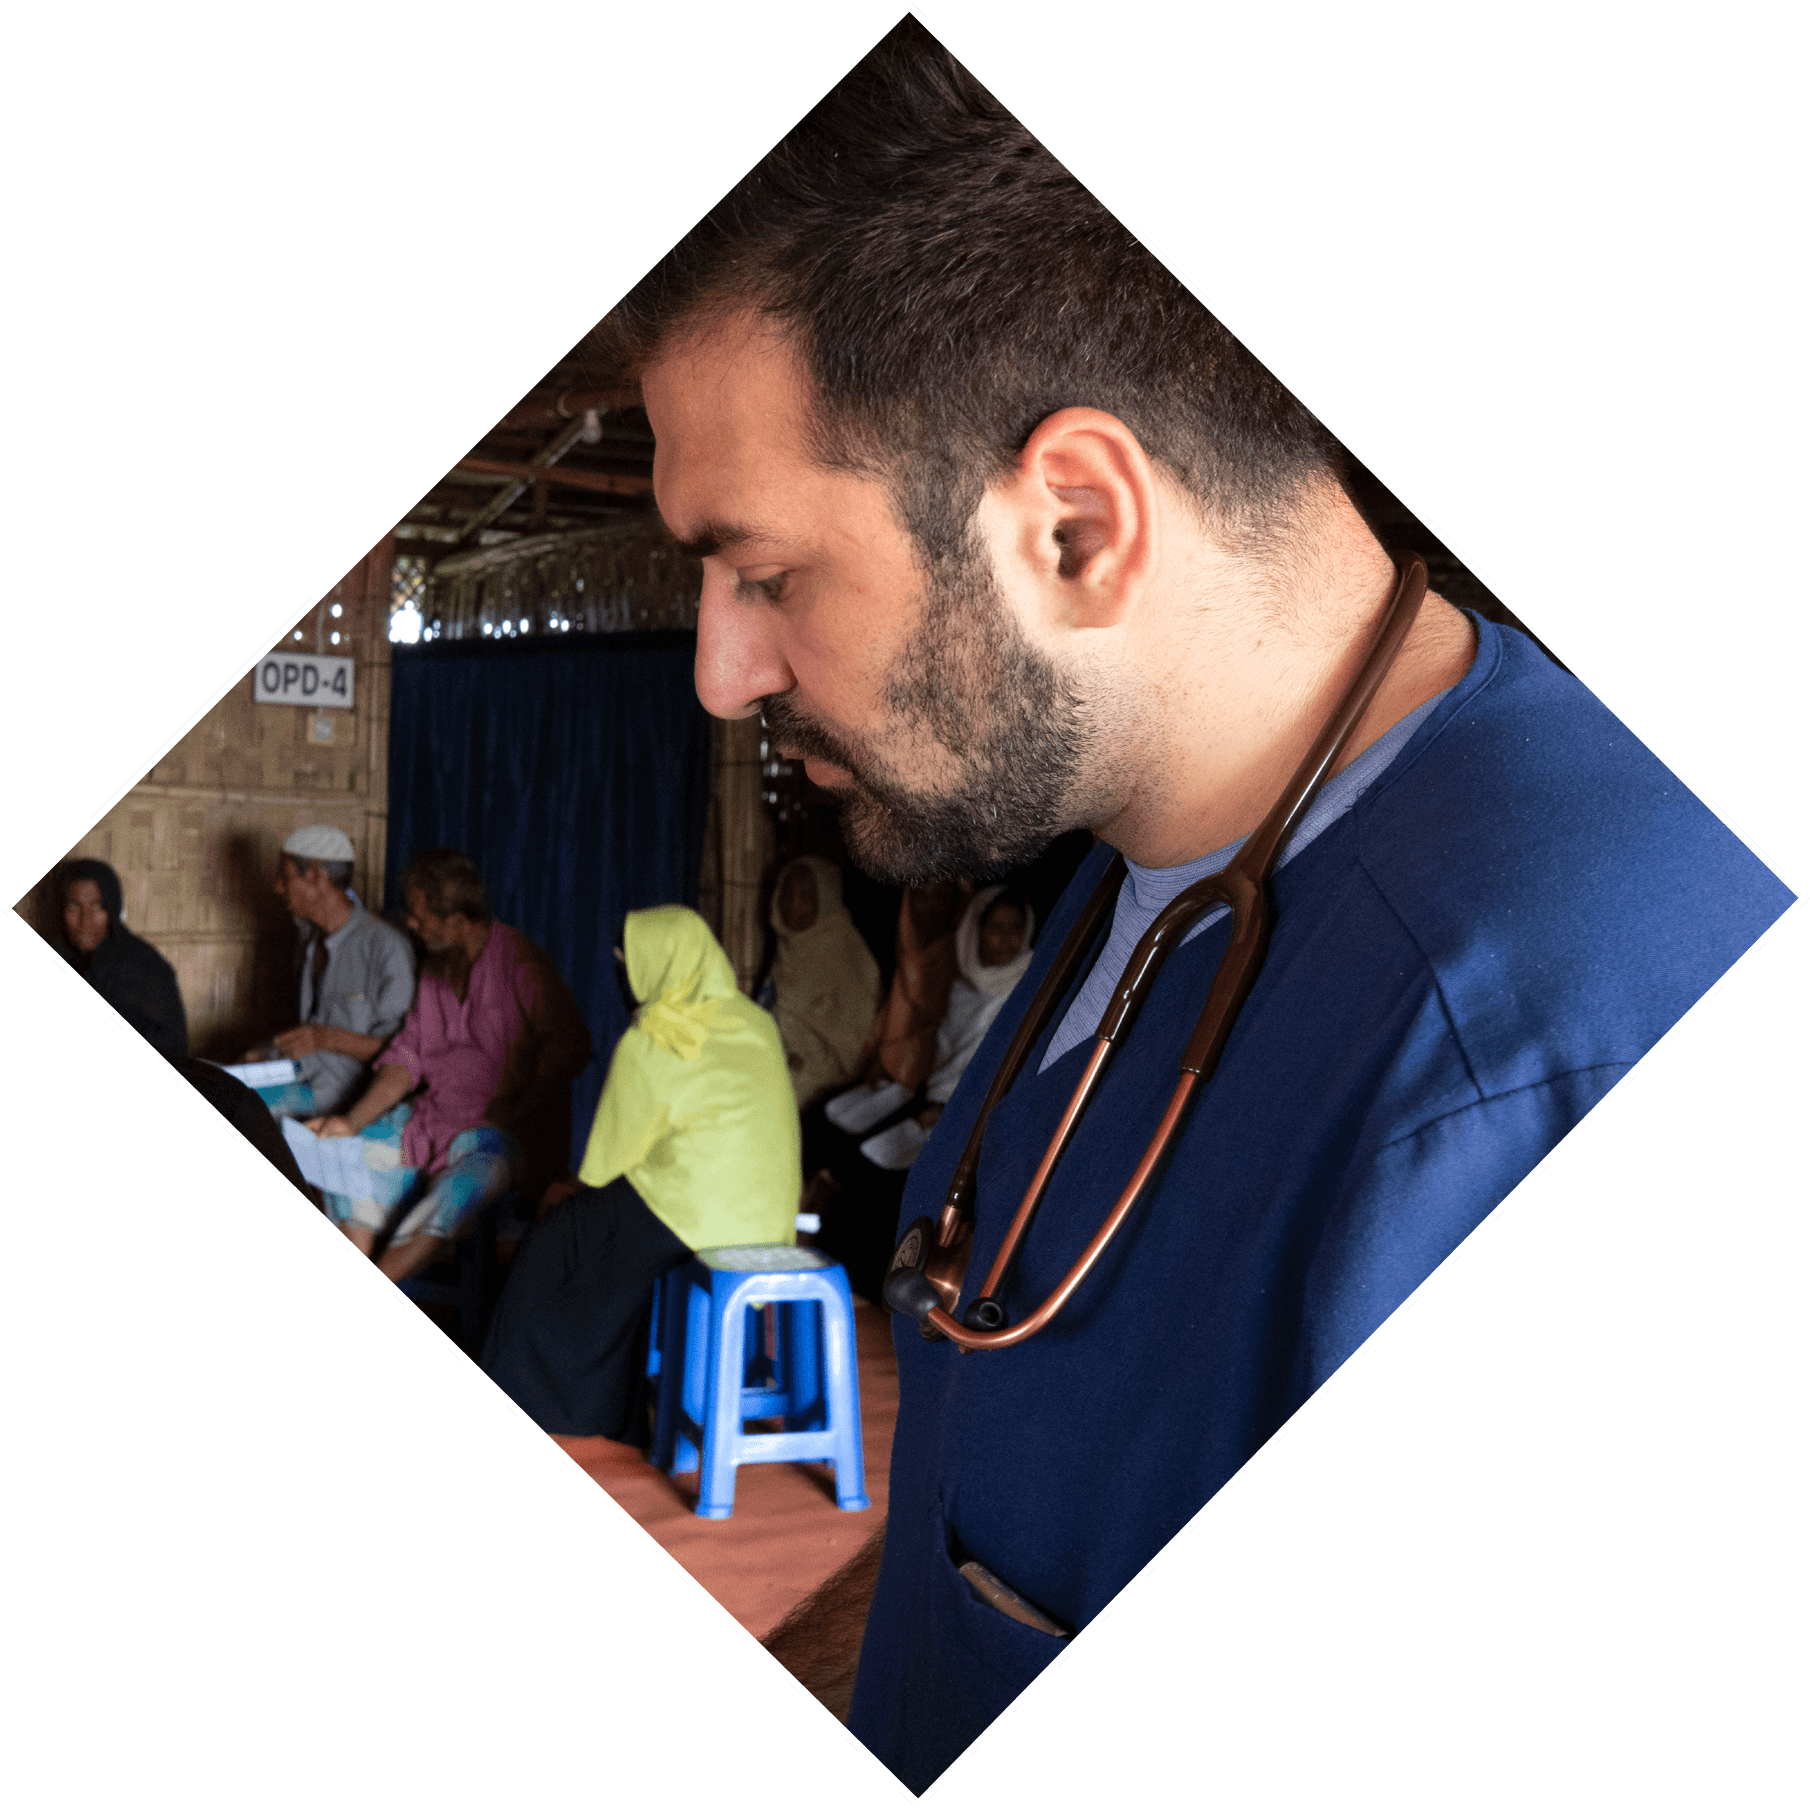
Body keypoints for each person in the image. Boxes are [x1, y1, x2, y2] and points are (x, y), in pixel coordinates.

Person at [611, 23, 1797, 1788]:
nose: (721, 675)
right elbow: (995, 1541)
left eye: (765, 572)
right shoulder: (1146, 874)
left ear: (1078, 524)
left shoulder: (1557, 1047)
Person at [481, 905, 801, 1440]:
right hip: (766, 1219)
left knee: (557, 1239)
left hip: (692, 1215)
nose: (624, 976)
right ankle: (619, 1403)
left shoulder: (655, 1035)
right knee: (610, 1246)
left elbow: (606, 1165)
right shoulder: (755, 1021)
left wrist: (560, 1197)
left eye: (626, 963)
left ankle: (545, 1399)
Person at [307, 849, 591, 1283]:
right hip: (432, 1121)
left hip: (501, 1135)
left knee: (456, 1194)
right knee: (349, 1157)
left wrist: (515, 1111)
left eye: (421, 916)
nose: (412, 924)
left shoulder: (521, 964)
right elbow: (407, 1055)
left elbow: (571, 1047)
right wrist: (350, 1120)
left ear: (458, 919)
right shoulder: (437, 966)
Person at [811, 886, 1035, 1300]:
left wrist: (954, 1112)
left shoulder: (1029, 990)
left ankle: (885, 1285)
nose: (1005, 940)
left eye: (1014, 929)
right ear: (975, 932)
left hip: (983, 1119)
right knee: (859, 1157)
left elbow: (1013, 1074)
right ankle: (852, 1274)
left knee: (892, 1182)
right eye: (994, 928)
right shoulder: (962, 987)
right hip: (939, 1105)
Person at [243, 825, 415, 1120]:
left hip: (344, 1093)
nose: (277, 888)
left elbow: (403, 1052)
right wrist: (269, 1053)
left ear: (317, 875)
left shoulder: (386, 947)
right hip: (299, 1071)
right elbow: (308, 1030)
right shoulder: (309, 936)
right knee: (219, 1082)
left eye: (285, 877)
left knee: (242, 1109)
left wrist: (325, 1039)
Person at [759, 855, 881, 1108]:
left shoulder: (844, 951)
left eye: (806, 897)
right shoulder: (788, 946)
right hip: (773, 1056)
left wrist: (804, 1060)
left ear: (825, 899)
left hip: (818, 1078)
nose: (793, 905)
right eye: (787, 895)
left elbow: (856, 1046)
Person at [50, 858, 187, 1060]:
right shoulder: (64, 957)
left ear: (112, 909)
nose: (85, 920)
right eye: (74, 906)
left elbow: (172, 1048)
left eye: (97, 907)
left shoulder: (146, 968)